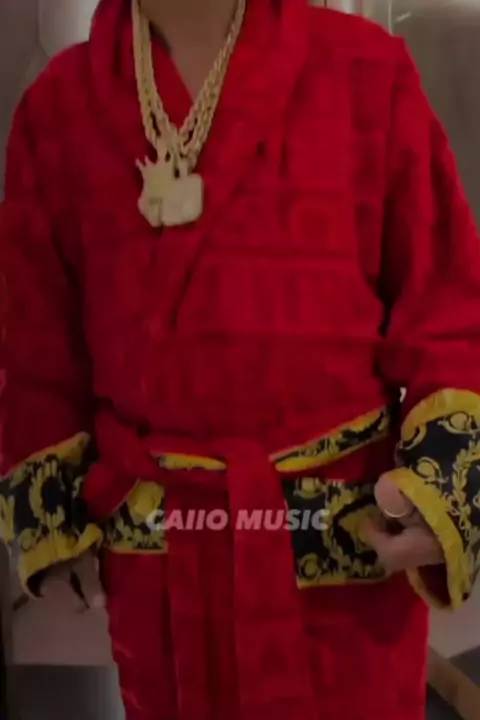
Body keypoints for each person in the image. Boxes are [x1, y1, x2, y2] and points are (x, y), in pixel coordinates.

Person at [1, 0, 480, 718]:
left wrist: (443, 485)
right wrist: (49, 518)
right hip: (163, 579)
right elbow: (36, 346)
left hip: (347, 568)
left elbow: (449, 305)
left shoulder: (366, 72)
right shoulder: (57, 109)